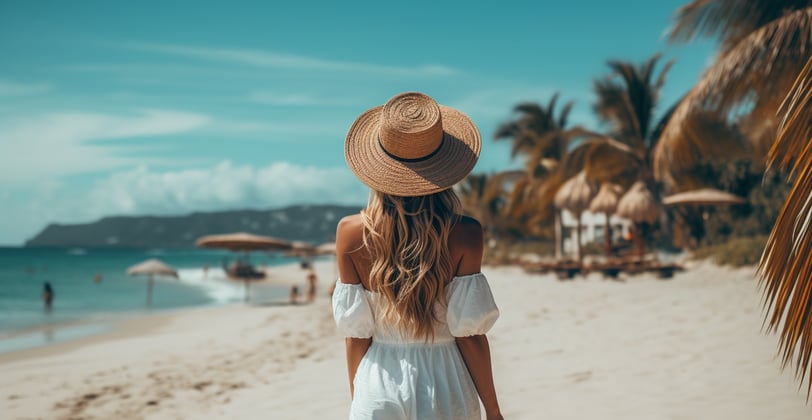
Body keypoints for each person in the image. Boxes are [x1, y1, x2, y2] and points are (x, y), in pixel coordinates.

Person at [332, 92, 503, 419]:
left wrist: (361, 395)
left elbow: (357, 336)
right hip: (445, 384)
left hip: (378, 381)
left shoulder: (350, 232)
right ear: (445, 170)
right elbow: (469, 336)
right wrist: (493, 410)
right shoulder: (465, 233)